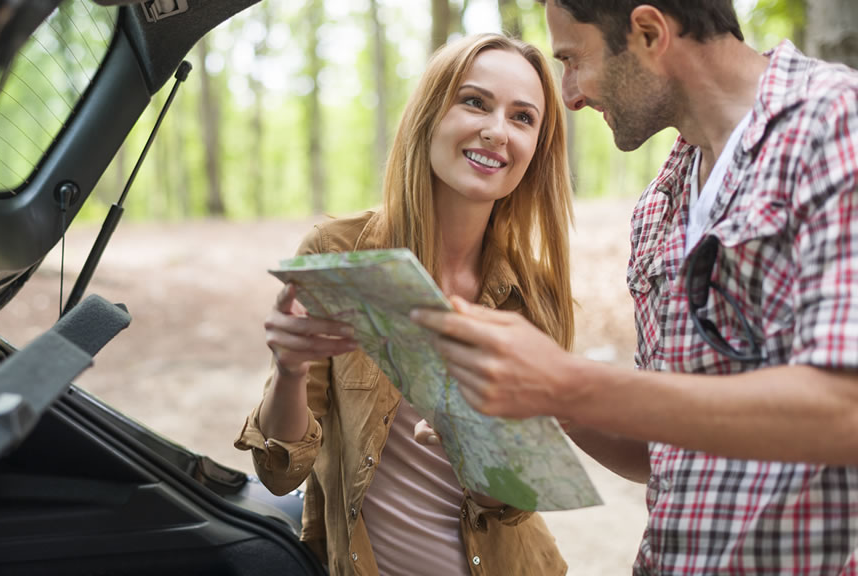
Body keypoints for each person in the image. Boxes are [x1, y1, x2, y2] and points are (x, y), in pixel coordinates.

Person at [412, 1, 858, 574]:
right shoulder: (658, 208)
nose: (568, 96)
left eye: (573, 60)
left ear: (648, 33)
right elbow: (666, 447)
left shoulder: (834, 123)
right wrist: (545, 407)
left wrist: (567, 383)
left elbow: (845, 411)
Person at [235, 33, 573, 576]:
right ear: (430, 114)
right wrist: (289, 369)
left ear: (536, 149)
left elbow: (509, 503)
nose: (496, 130)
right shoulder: (338, 254)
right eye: (475, 102)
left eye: (523, 117)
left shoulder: (535, 296)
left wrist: (481, 446)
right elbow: (279, 474)